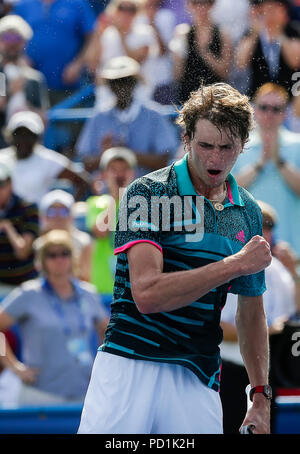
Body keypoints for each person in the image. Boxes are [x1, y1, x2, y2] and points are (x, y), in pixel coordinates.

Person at [77, 82, 272, 434]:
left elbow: (251, 313)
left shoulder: (247, 212)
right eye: (205, 145)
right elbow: (148, 295)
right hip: (129, 363)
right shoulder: (147, 192)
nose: (215, 159)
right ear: (186, 139)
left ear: (243, 145)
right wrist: (235, 264)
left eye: (227, 147)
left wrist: (260, 395)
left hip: (198, 374)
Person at [0, 229, 109, 406]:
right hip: (39, 396)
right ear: (42, 260)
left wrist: (100, 368)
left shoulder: (88, 293)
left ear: (73, 258)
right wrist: (15, 367)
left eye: (65, 253)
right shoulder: (28, 293)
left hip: (84, 395)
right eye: (52, 255)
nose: (59, 259)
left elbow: (105, 330)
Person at [220, 199, 296, 434]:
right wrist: (268, 331)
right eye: (257, 222)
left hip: (264, 374)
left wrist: (294, 270)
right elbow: (217, 328)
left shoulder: (277, 269)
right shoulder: (224, 266)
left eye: (269, 224)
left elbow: (295, 308)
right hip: (230, 371)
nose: (264, 230)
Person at [76, 55, 180, 176]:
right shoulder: (98, 117)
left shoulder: (154, 115)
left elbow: (164, 160)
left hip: (146, 191)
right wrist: (107, 155)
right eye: (115, 82)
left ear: (134, 83)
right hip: (107, 191)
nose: (120, 86)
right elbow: (85, 162)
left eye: (125, 80)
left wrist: (125, 154)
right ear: (109, 86)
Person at [232, 82, 300, 258]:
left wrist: (280, 161)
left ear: (285, 113)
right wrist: (260, 163)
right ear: (255, 110)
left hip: (291, 246)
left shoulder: (298, 145)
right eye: (264, 107)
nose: (269, 114)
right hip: (248, 245)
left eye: (276, 109)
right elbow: (229, 191)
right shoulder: (239, 146)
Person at [13, 0, 96, 105]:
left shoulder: (77, 3)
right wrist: (21, 59)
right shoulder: (24, 4)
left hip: (68, 87)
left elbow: (92, 36)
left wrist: (78, 64)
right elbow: (10, 34)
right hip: (31, 89)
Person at [0, 110, 92, 205]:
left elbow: (83, 181)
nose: (23, 140)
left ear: (37, 137)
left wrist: (70, 207)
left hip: (35, 218)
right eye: (18, 135)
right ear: (10, 136)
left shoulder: (47, 158)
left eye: (28, 135)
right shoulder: (2, 158)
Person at [86, 146, 137, 313]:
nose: (119, 174)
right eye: (113, 169)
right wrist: (116, 197)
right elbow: (100, 231)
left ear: (133, 174)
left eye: (124, 169)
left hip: (132, 292)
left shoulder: (142, 206)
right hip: (103, 290)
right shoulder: (95, 203)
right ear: (103, 175)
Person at [85, 0, 158, 105]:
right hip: (108, 95)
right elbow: (91, 63)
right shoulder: (107, 33)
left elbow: (135, 62)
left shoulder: (145, 32)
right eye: (122, 8)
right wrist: (97, 32)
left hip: (137, 94)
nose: (126, 13)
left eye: (131, 9)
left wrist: (121, 34)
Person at [169, 0, 233, 104]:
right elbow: (177, 76)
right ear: (188, 5)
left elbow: (225, 72)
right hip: (189, 96)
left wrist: (205, 53)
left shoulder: (222, 34)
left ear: (212, 4)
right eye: (195, 3)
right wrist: (177, 58)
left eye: (205, 2)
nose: (200, 7)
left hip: (215, 97)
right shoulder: (182, 33)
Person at [235, 0, 300, 98]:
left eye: (276, 8)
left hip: (288, 97)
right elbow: (241, 63)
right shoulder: (252, 33)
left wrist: (279, 34)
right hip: (257, 97)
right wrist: (255, 34)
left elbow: (295, 62)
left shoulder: (292, 32)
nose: (271, 13)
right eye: (268, 8)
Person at [0, 160, 39, 300]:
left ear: (10, 184)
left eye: (0, 185)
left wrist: (7, 228)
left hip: (25, 286)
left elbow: (22, 251)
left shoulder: (28, 208)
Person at [0, 15, 49, 122]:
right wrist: (10, 92)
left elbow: (44, 120)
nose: (12, 43)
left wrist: (28, 111)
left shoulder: (34, 78)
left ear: (24, 42)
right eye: (7, 38)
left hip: (25, 136)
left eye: (17, 38)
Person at [40, 189, 93, 282]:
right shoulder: (39, 244)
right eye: (52, 212)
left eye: (63, 211)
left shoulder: (84, 242)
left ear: (71, 215)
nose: (58, 216)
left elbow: (86, 277)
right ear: (45, 216)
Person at [134, 0, 177, 104]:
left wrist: (152, 23)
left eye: (154, 5)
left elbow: (163, 51)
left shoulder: (167, 17)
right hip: (142, 83)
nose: (151, 8)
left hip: (163, 80)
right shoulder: (135, 18)